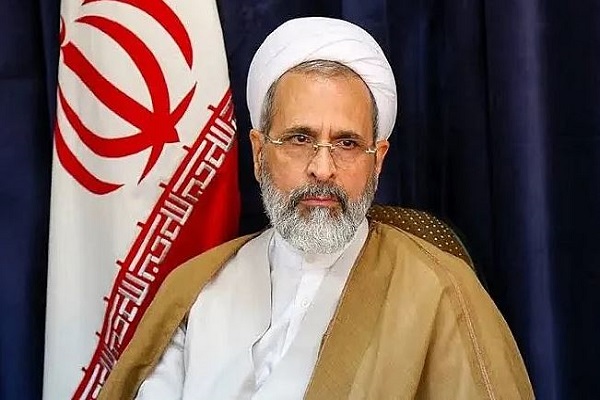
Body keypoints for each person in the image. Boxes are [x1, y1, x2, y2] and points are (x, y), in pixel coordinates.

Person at [99, 17, 533, 399]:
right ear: (258, 154)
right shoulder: (196, 289)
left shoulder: (441, 292)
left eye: (347, 143)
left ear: (377, 161)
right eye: (299, 139)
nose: (322, 169)